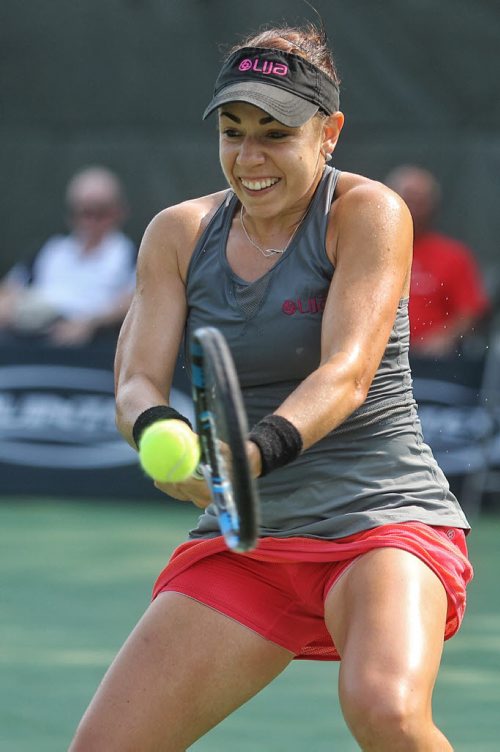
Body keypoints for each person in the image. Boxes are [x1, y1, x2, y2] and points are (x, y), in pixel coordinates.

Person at [70, 24, 473, 752]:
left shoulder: (369, 213)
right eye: (233, 132)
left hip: (380, 521)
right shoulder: (177, 233)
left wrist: (246, 458)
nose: (249, 158)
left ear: (330, 132)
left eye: (275, 134)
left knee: (385, 711)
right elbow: (134, 380)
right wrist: (163, 431)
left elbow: (346, 372)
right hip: (247, 544)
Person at [0, 166, 136, 346]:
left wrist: (90, 323)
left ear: (118, 212)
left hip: (93, 348)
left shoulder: (130, 255)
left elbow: (135, 301)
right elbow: (9, 290)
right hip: (30, 340)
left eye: (101, 212)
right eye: (84, 212)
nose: (91, 221)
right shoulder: (50, 250)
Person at [385, 164, 490, 357]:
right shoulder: (367, 250)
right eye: (409, 197)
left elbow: (470, 313)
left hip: (430, 362)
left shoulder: (452, 255)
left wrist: (442, 339)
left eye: (422, 201)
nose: (415, 207)